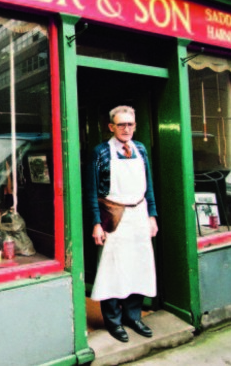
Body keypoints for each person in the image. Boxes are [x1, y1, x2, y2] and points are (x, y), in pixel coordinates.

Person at [85, 105, 159, 343]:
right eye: (121, 124)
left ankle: (133, 316)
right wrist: (97, 222)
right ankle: (114, 321)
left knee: (139, 266)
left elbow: (149, 185)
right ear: (111, 127)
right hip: (114, 217)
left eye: (130, 124)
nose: (126, 129)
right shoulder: (100, 152)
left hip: (139, 214)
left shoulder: (140, 150)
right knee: (113, 269)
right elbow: (91, 190)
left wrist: (152, 215)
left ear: (135, 126)